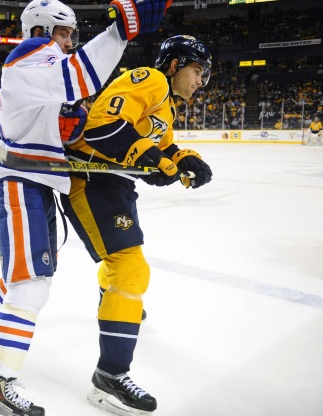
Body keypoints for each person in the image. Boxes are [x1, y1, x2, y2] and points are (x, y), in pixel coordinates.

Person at [0, 0, 173, 415]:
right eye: (63, 33)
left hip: (37, 184)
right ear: (41, 30)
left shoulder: (45, 74)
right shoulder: (29, 57)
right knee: (32, 284)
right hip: (17, 182)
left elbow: (73, 128)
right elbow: (79, 76)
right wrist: (120, 31)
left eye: (70, 35)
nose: (69, 41)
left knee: (31, 275)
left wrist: (142, 159)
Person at [59, 35, 214, 414]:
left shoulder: (168, 107)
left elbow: (160, 147)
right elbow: (103, 125)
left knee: (127, 264)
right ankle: (110, 375)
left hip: (114, 183)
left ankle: (115, 306)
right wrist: (152, 160)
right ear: (175, 65)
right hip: (91, 179)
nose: (200, 82)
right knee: (130, 269)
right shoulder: (152, 79)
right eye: (197, 71)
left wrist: (185, 158)